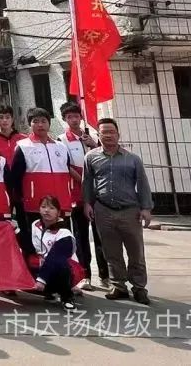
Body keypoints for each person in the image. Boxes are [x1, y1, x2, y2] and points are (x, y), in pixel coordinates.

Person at [83, 117, 153, 305]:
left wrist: (146, 208)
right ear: (98, 135)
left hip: (130, 211)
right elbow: (87, 182)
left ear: (118, 134)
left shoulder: (133, 159)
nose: (108, 135)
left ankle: (139, 287)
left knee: (136, 252)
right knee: (111, 251)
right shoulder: (91, 157)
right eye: (104, 132)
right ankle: (118, 286)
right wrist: (87, 203)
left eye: (111, 132)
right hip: (103, 210)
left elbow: (143, 184)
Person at [10, 107, 74, 253]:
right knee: (36, 246)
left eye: (44, 121)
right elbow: (16, 178)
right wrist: (21, 200)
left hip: (60, 204)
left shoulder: (61, 147)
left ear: (49, 123)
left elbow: (67, 172)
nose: (40, 125)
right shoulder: (23, 146)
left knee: (62, 243)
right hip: (35, 206)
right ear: (30, 124)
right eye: (36, 121)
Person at [58, 101, 107, 291]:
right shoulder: (61, 140)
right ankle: (85, 275)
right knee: (81, 236)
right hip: (77, 194)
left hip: (98, 193)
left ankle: (105, 275)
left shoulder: (93, 136)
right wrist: (84, 181)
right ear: (65, 119)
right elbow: (66, 165)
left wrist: (93, 145)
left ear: (81, 117)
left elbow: (104, 158)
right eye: (69, 117)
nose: (74, 120)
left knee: (101, 235)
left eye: (76, 116)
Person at [29, 195, 83, 310]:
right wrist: (16, 230)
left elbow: (55, 256)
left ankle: (67, 297)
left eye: (51, 208)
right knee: (26, 260)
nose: (46, 210)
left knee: (61, 263)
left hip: (65, 271)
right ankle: (48, 292)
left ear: (58, 212)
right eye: (43, 207)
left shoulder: (64, 233)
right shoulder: (35, 225)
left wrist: (42, 279)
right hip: (42, 267)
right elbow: (28, 246)